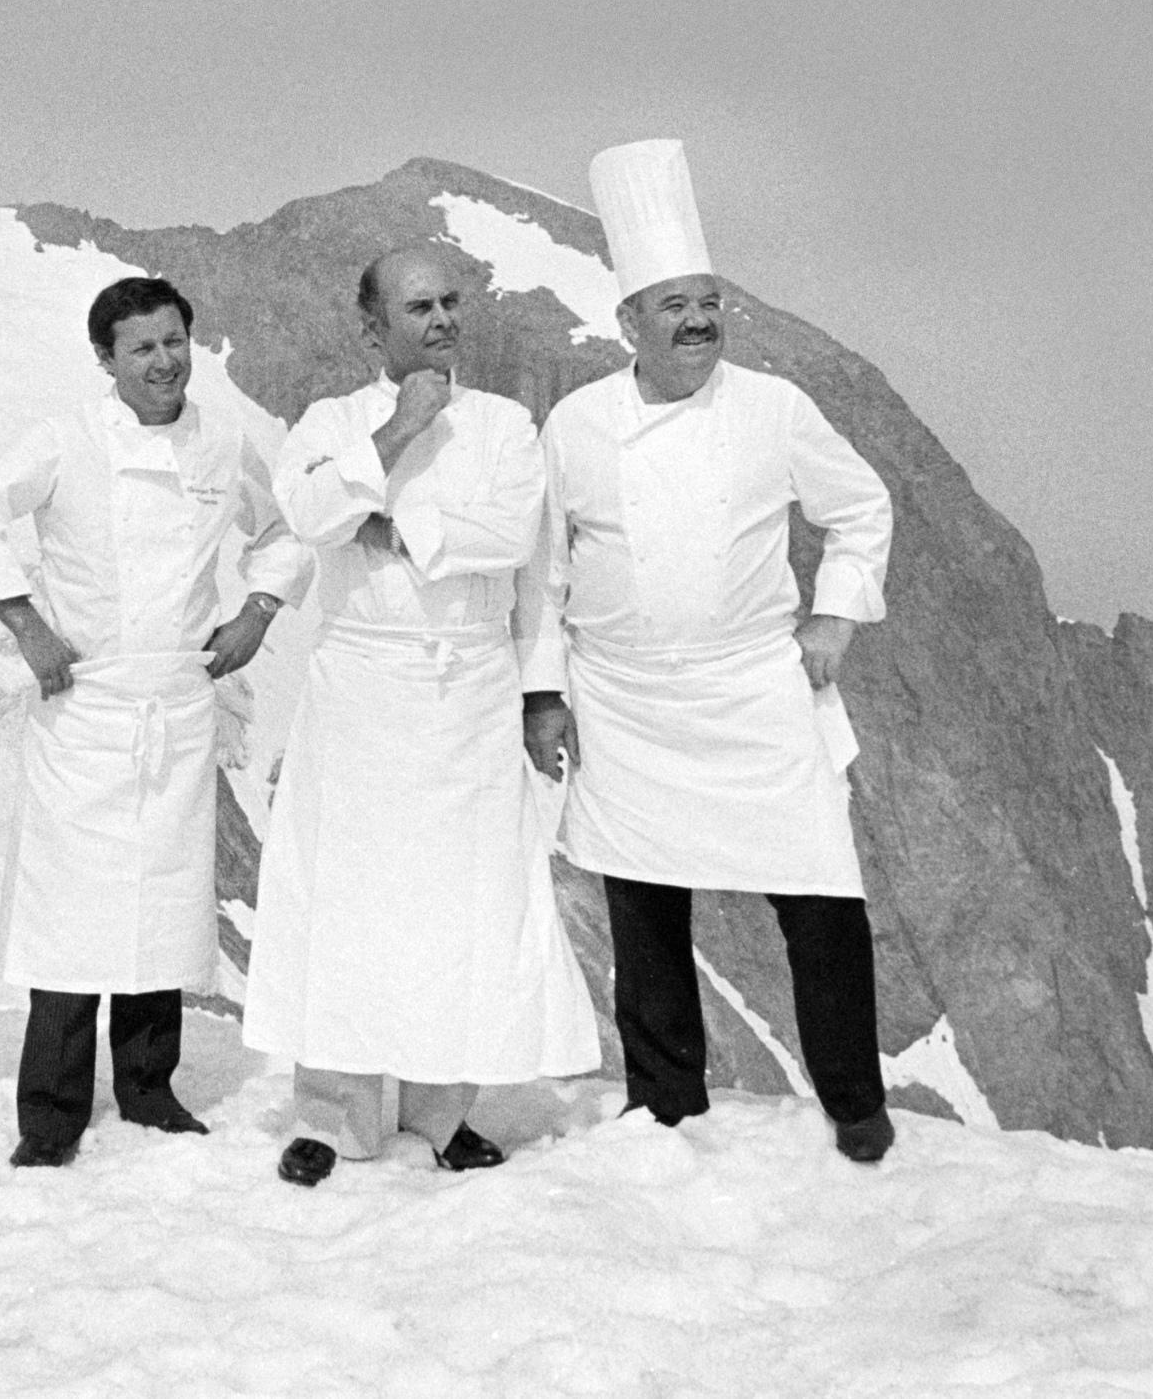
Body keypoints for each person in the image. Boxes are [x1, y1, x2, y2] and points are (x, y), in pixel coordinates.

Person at [519, 138, 900, 1164]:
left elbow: (860, 508)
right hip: (625, 701)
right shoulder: (579, 424)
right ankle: (666, 1101)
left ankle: (856, 1105)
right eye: (675, 305)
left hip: (751, 690)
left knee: (820, 896)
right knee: (643, 908)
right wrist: (543, 696)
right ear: (629, 323)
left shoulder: (774, 408)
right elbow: (543, 575)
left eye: (709, 300)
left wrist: (834, 615)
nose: (698, 321)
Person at [241, 244, 600, 1186]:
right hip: (361, 688)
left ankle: (444, 1116)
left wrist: (395, 525)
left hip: (470, 691)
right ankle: (335, 1117)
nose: (441, 320)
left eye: (450, 303)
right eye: (418, 308)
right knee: (350, 902)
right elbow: (309, 513)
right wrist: (396, 435)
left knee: (462, 906)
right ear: (373, 329)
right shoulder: (332, 422)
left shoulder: (505, 424)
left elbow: (510, 539)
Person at [0, 275, 312, 1167]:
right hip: (89, 707)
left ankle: (150, 1090)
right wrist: (26, 624)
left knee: (166, 907)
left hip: (179, 705)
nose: (163, 361)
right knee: (70, 919)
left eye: (174, 341)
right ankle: (52, 1113)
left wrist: (259, 612)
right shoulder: (64, 441)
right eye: (141, 347)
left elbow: (284, 532)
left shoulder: (224, 444)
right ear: (105, 359)